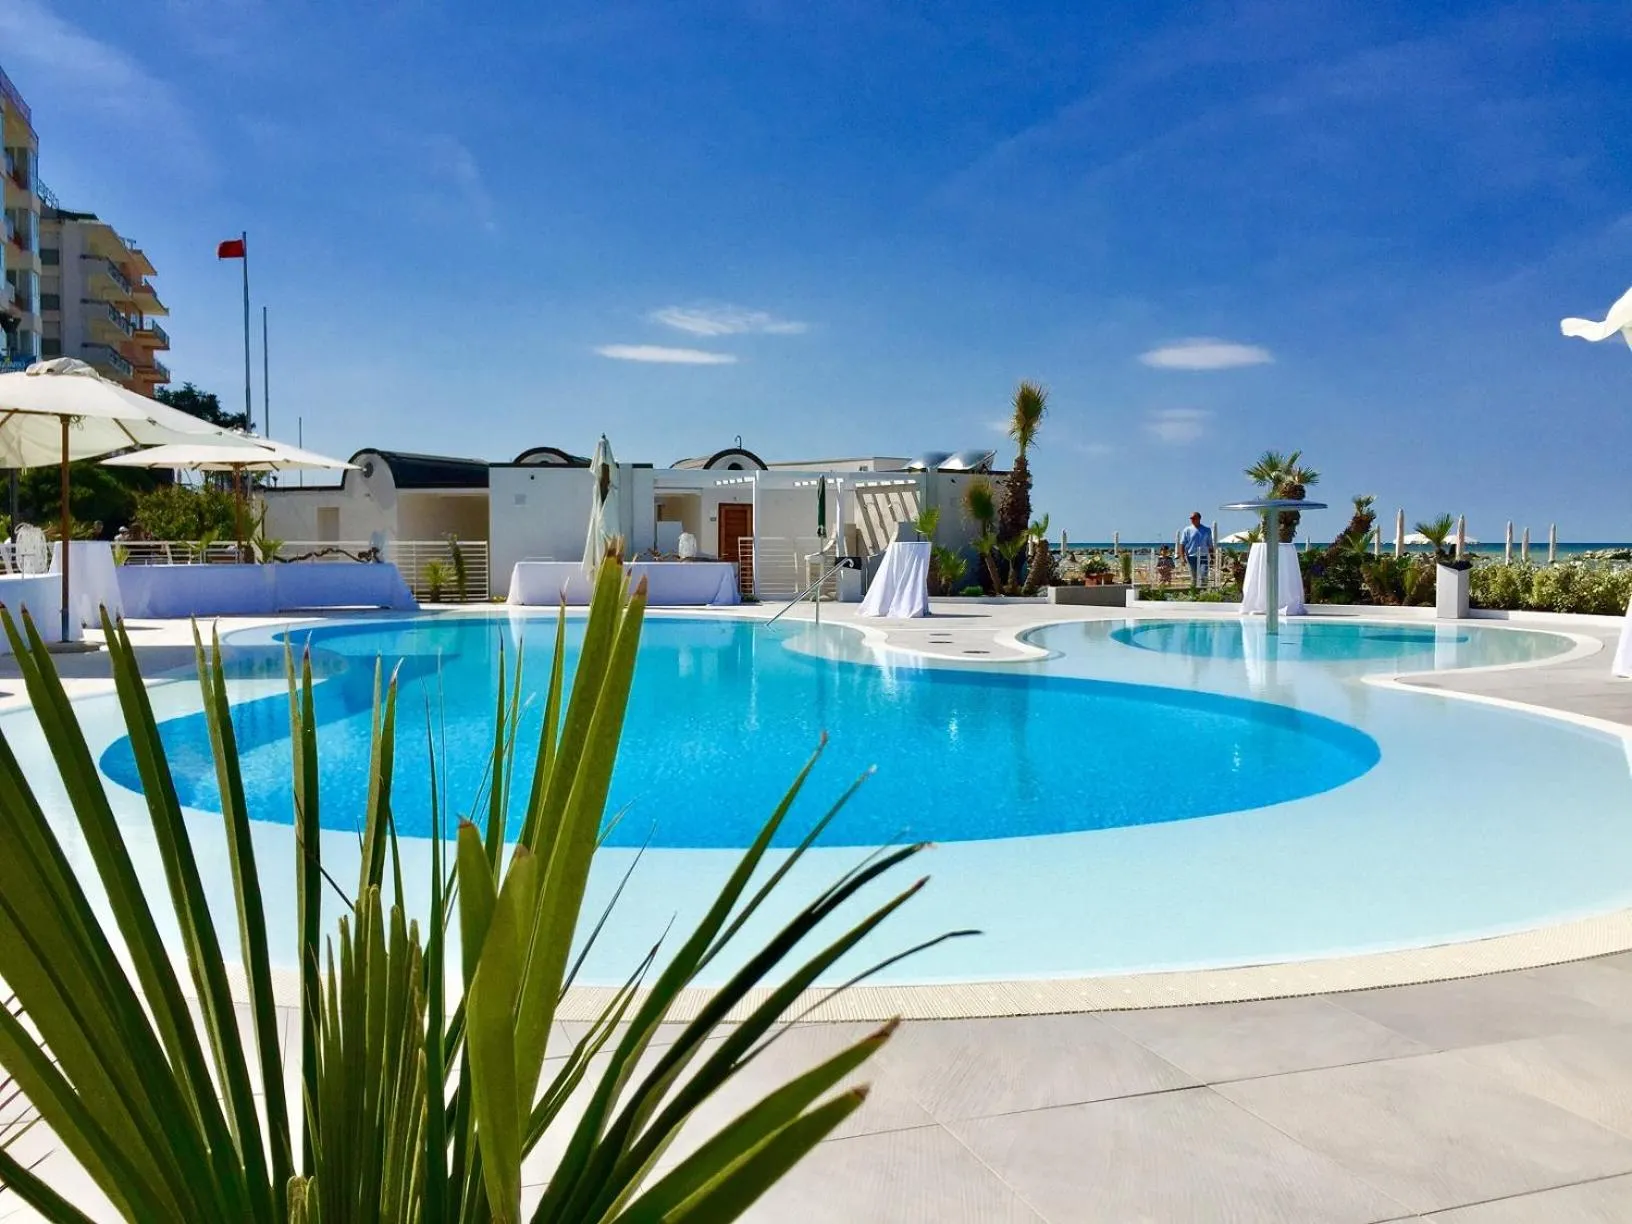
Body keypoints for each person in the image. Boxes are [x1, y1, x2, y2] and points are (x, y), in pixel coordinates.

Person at [1180, 512, 1212, 587]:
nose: (1192, 520)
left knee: (1204, 576)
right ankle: (1195, 594)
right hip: (1191, 557)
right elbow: (1182, 544)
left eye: (1194, 518)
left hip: (1203, 556)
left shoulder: (1207, 530)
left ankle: (1204, 592)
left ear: (1199, 518)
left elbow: (1210, 544)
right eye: (1191, 518)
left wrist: (1212, 556)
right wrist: (1182, 557)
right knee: (1194, 578)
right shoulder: (1187, 530)